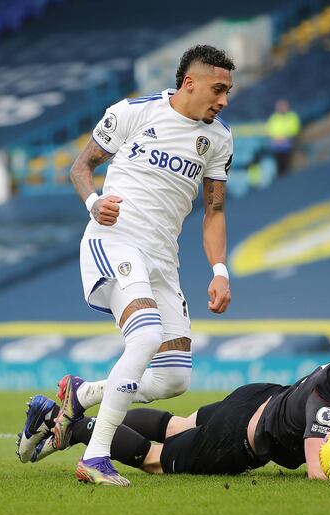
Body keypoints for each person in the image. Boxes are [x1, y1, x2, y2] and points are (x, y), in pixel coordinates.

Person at [52, 45, 235, 486]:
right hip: (114, 239)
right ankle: (96, 457)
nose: (224, 100)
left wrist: (220, 270)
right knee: (146, 335)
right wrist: (95, 203)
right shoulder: (133, 112)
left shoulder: (220, 139)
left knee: (174, 377)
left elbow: (214, 212)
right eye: (218, 89)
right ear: (189, 82)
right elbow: (80, 168)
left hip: (162, 259)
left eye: (228, 91)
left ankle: (84, 393)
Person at [17, 318, 330, 482]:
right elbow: (320, 472)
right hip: (239, 439)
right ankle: (69, 424)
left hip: (260, 397)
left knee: (176, 425)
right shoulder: (328, 401)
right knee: (156, 456)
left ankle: (75, 409)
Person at [265, 99, 301, 177]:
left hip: (288, 142)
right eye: (279, 106)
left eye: (283, 106)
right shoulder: (274, 118)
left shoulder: (292, 116)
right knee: (279, 163)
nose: (281, 108)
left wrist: (286, 137)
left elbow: (295, 129)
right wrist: (277, 138)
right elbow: (270, 130)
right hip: (277, 144)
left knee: (287, 162)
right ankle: (280, 177)